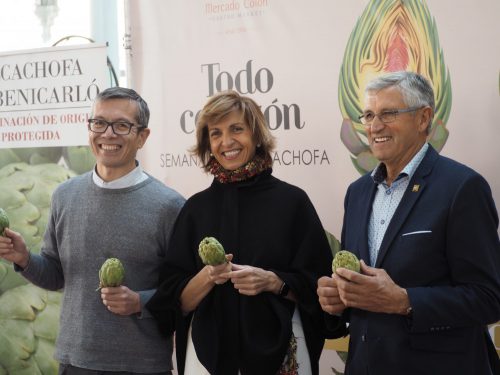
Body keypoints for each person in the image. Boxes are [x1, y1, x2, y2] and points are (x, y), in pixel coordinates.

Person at [146, 90, 345, 375]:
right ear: (207, 142)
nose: (226, 142)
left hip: (284, 350)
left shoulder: (293, 203)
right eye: (215, 133)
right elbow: (173, 305)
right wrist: (208, 276)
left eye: (236, 129)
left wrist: (274, 282)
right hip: (206, 359)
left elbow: (323, 291)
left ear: (256, 134)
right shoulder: (195, 209)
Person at [317, 71, 500, 374]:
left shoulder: (463, 188)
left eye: (389, 113)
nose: (375, 127)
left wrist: (404, 300)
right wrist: (339, 299)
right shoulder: (358, 193)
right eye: (368, 115)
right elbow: (361, 288)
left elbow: (489, 299)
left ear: (423, 118)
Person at [0, 87, 185, 374]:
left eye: (121, 125)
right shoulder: (64, 195)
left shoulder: (169, 206)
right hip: (74, 363)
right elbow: (56, 276)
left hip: (142, 366)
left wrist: (140, 301)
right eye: (98, 123)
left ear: (142, 137)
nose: (107, 134)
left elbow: (183, 292)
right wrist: (24, 259)